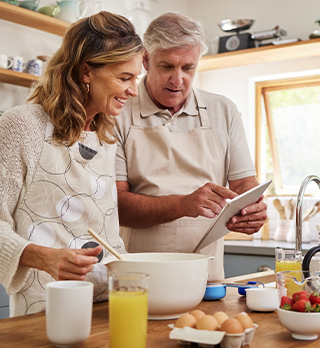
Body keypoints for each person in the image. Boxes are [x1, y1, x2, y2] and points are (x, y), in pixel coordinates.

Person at [0, 11, 144, 316]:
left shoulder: (105, 135)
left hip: (110, 306)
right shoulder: (23, 125)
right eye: (124, 77)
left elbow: (104, 231)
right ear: (86, 72)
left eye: (136, 78)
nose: (133, 90)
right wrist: (44, 257)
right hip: (46, 308)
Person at [115, 12, 267, 281]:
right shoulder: (118, 112)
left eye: (188, 68)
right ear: (146, 61)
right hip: (139, 275)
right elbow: (116, 205)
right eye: (167, 67)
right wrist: (184, 204)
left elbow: (244, 186)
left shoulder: (223, 110)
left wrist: (252, 211)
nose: (178, 79)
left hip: (206, 274)